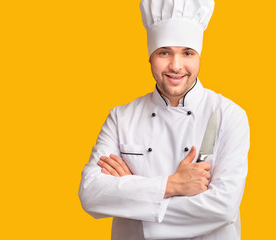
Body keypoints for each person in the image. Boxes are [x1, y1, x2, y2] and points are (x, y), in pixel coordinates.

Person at [78, 0, 250, 239]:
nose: (176, 66)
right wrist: (173, 185)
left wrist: (132, 195)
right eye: (164, 52)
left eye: (187, 53)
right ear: (150, 56)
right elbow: (91, 194)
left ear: (199, 56)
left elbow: (223, 208)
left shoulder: (228, 115)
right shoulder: (121, 117)